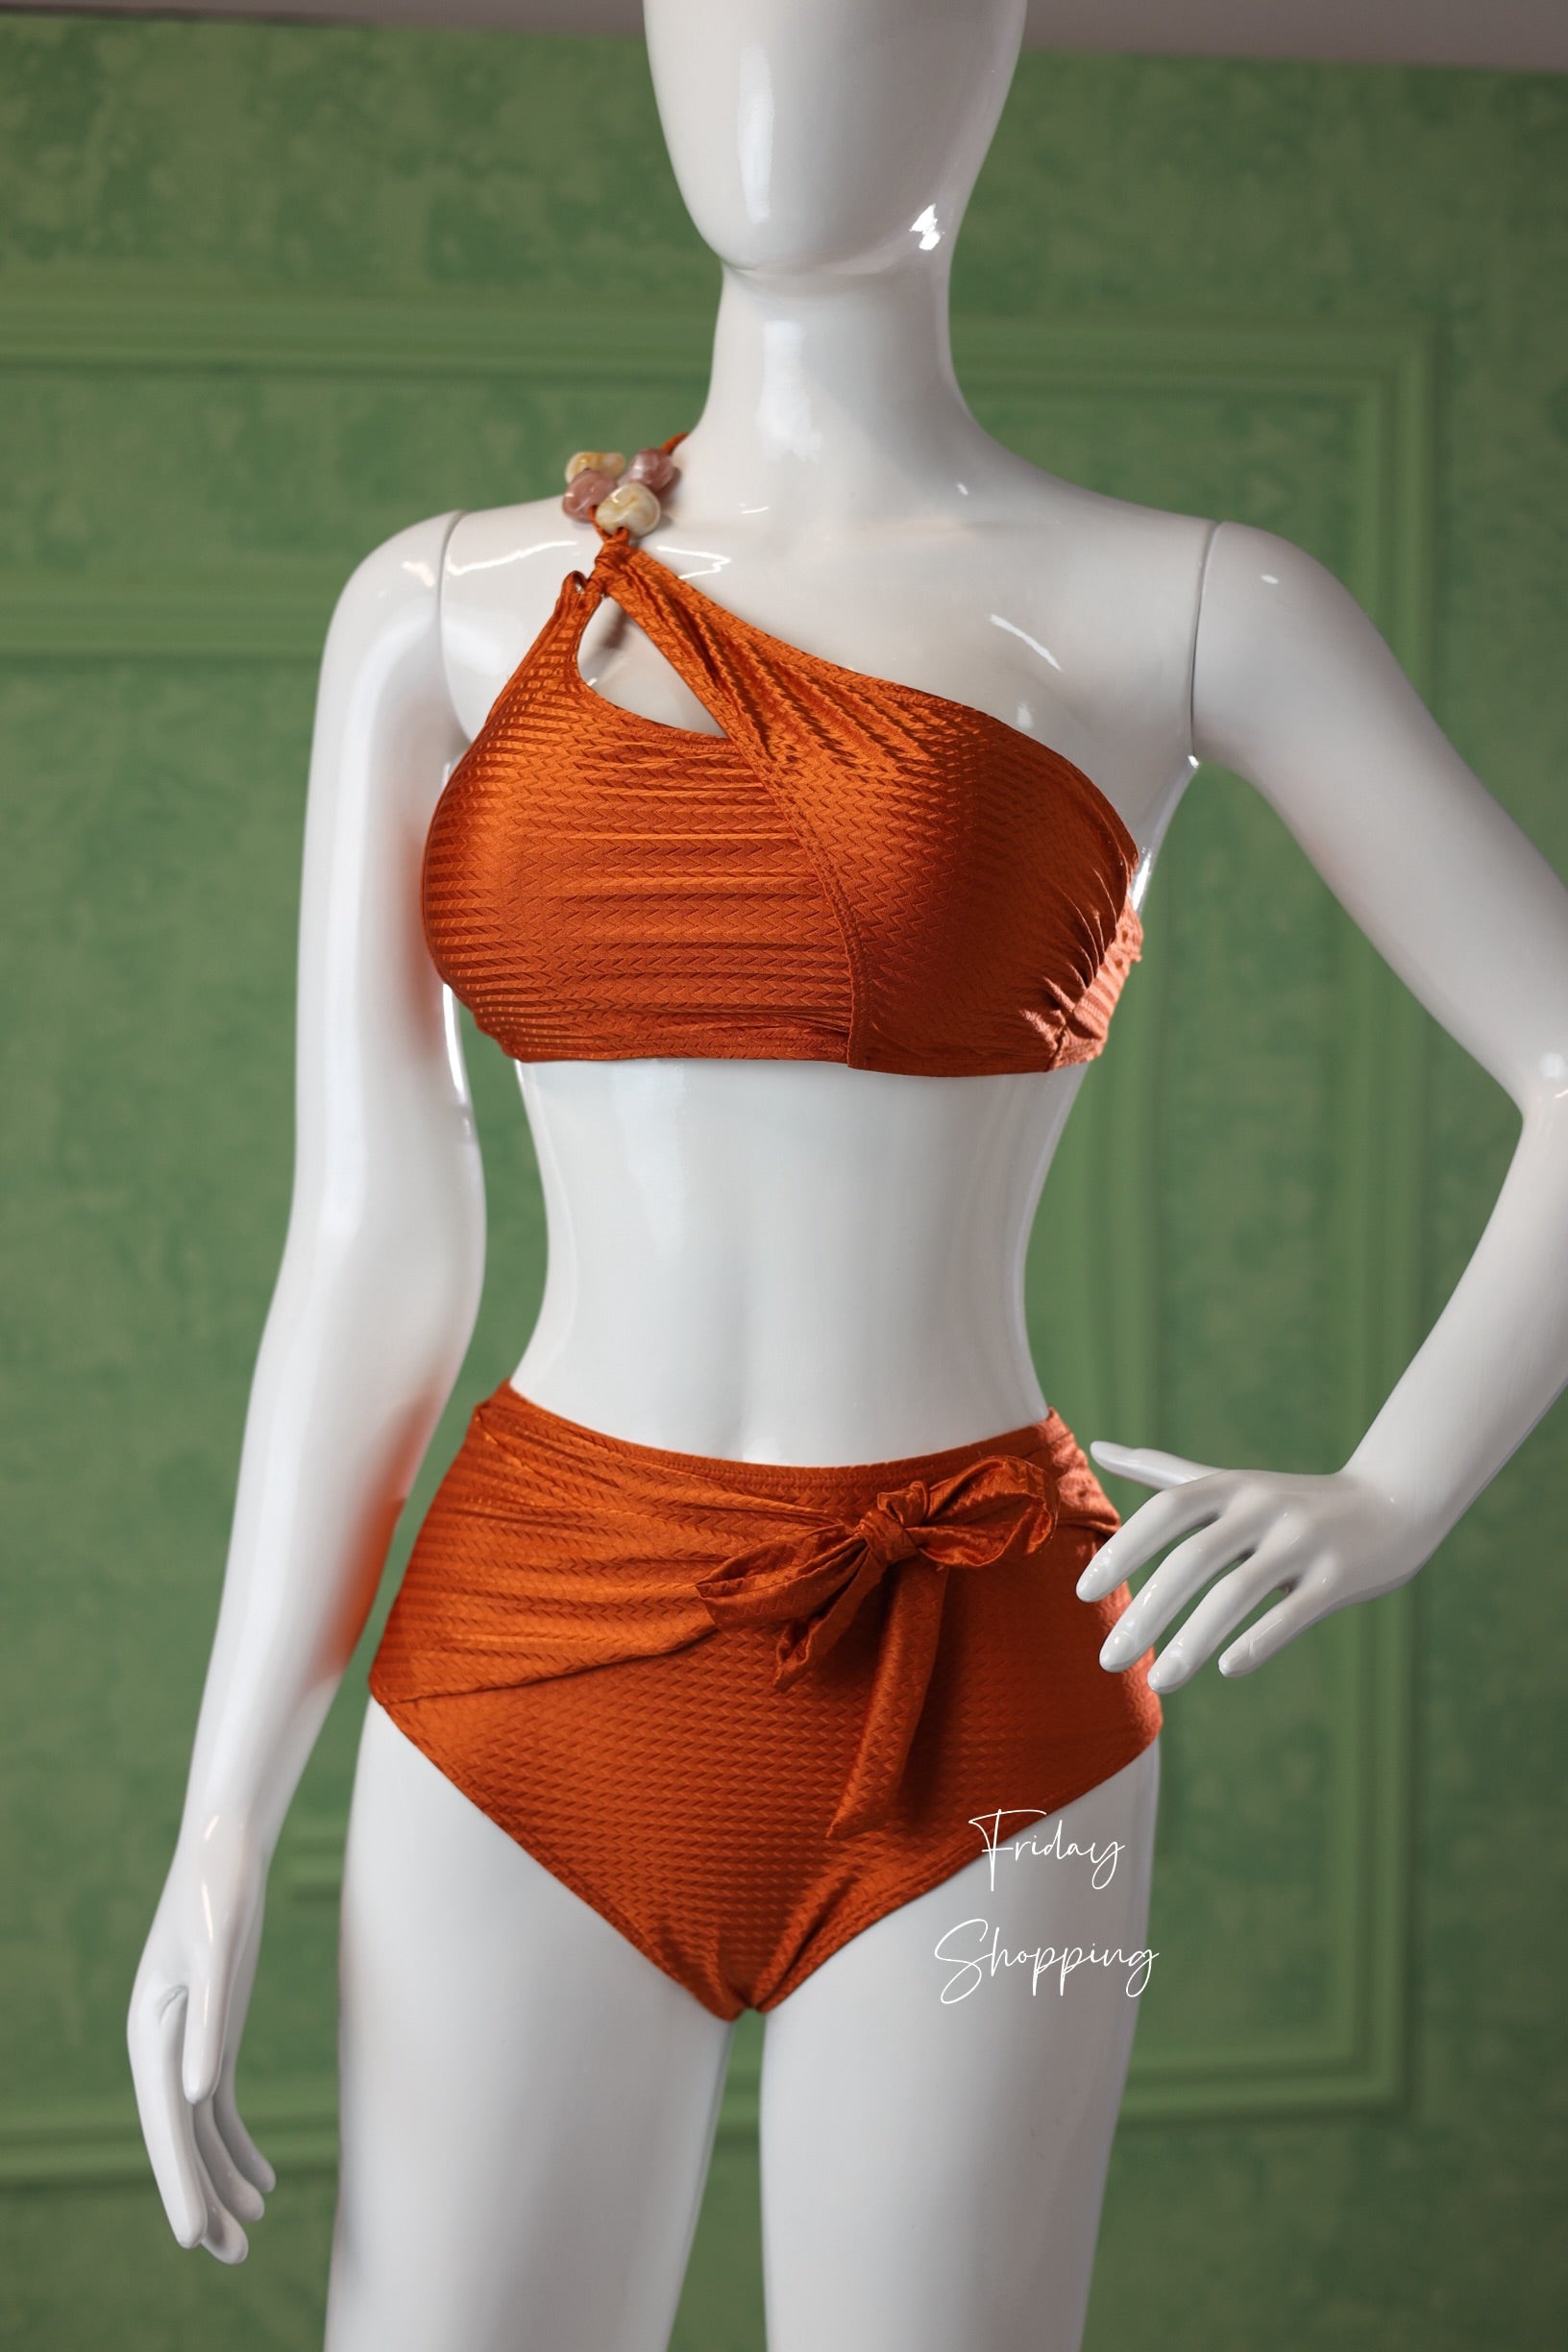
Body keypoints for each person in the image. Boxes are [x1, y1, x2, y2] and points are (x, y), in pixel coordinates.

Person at [128, 5, 1568, 2347]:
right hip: (528, 1677)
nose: (785, 50)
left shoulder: (1192, 603)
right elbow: (376, 1237)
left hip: (997, 1708)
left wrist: (1397, 1488)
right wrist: (220, 1819)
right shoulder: (435, 607)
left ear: (994, 46)